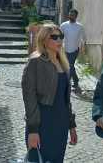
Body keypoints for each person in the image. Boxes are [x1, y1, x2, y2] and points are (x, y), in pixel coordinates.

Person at [21, 23, 78, 163]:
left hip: (61, 124)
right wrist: (33, 130)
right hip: (43, 122)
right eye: (54, 37)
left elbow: (66, 99)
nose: (59, 40)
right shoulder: (35, 62)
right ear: (44, 40)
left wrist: (71, 125)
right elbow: (29, 98)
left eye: (61, 36)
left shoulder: (64, 63)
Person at [60, 9, 86, 91]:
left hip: (75, 49)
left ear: (76, 16)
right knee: (69, 66)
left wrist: (83, 48)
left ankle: (68, 82)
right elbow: (59, 36)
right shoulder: (63, 25)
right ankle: (75, 80)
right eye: (70, 14)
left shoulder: (80, 26)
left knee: (70, 65)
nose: (71, 16)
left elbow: (84, 38)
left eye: (73, 15)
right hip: (65, 49)